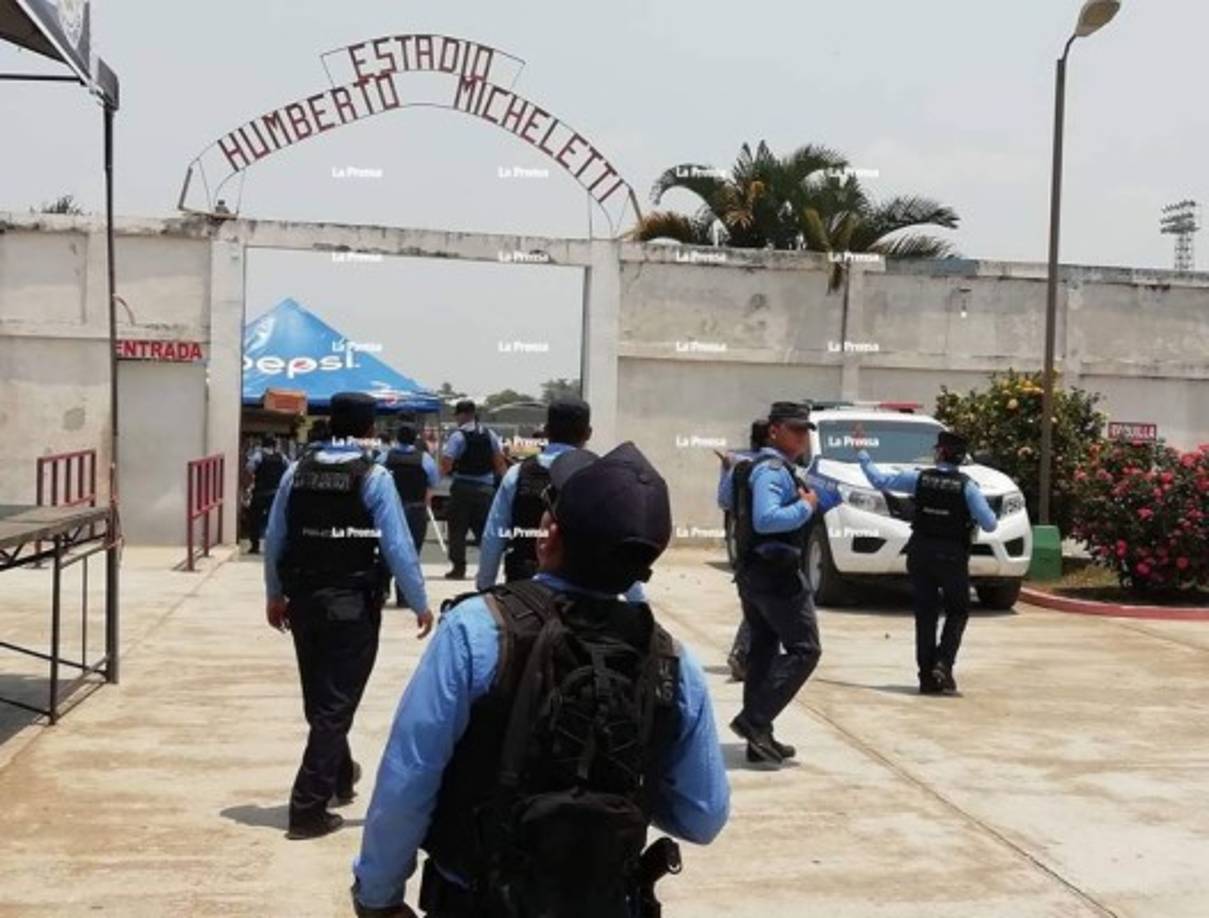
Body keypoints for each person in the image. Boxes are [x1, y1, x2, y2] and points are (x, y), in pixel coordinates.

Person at [351, 443, 730, 917]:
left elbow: (409, 778)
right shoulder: (672, 660)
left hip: (477, 900)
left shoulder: (478, 629)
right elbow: (704, 815)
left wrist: (378, 896)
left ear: (548, 536)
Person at [263, 392, 435, 840]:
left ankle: (339, 776)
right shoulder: (373, 477)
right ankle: (307, 810)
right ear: (368, 429)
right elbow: (396, 546)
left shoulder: (295, 472)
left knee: (321, 699)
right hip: (351, 604)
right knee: (335, 706)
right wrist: (418, 601)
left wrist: (274, 594)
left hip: (303, 600)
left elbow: (275, 536)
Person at [857, 430, 998, 694]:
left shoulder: (919, 479)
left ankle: (926, 677)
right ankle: (944, 662)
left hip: (920, 553)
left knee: (926, 616)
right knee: (957, 611)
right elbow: (990, 524)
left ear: (942, 453)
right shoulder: (967, 486)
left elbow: (879, 480)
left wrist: (863, 454)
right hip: (952, 555)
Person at [728, 401, 822, 765]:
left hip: (753, 572)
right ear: (774, 430)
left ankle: (760, 737)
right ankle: (754, 720)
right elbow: (766, 519)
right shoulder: (772, 470)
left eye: (804, 431)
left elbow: (728, 502)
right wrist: (806, 506)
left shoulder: (748, 466)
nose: (801, 437)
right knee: (805, 650)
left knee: (764, 653)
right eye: (794, 429)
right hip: (777, 574)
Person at [475, 397, 591, 590]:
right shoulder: (601, 476)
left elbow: (494, 535)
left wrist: (485, 586)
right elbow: (617, 539)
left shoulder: (517, 474)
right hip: (583, 594)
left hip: (523, 591)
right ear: (588, 433)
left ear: (546, 430)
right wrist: (636, 599)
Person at [716, 418, 771, 681]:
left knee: (755, 603)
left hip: (743, 542)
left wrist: (727, 468)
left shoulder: (738, 466)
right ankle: (743, 653)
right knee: (764, 604)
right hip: (772, 547)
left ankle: (751, 655)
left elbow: (724, 500)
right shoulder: (779, 468)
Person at [440, 400, 508, 580]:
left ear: (462, 415)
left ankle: (458, 568)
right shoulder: (490, 434)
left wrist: (439, 476)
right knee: (485, 531)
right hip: (486, 489)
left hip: (463, 487)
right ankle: (487, 569)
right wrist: (506, 484)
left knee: (457, 530)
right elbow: (499, 461)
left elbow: (447, 463)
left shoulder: (457, 436)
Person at [245, 435, 287, 554]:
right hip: (275, 493)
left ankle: (255, 546)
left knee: (254, 519)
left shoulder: (258, 455)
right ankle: (276, 547)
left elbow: (249, 468)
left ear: (263, 444)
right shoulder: (281, 456)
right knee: (275, 521)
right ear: (274, 444)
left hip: (260, 492)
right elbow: (288, 468)